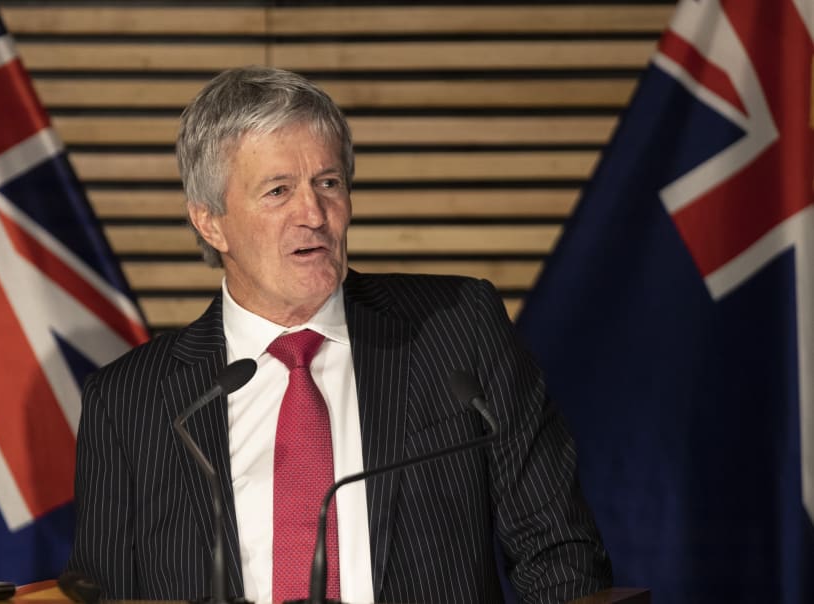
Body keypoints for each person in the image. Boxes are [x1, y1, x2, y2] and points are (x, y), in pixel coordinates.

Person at [66, 66, 612, 603]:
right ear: (210, 222)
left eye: (328, 183)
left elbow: (558, 549)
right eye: (278, 191)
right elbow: (104, 592)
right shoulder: (130, 400)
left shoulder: (457, 327)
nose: (314, 213)